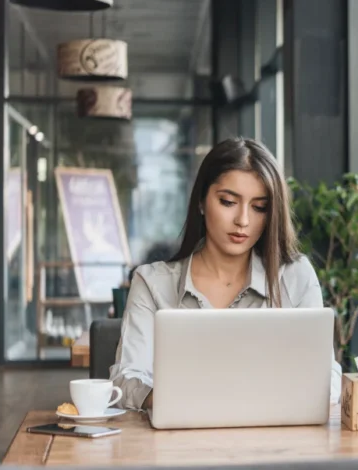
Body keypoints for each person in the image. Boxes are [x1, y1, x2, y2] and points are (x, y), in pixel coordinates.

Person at [109, 137, 342, 410]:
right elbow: (124, 380)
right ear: (201, 201)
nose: (243, 220)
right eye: (228, 202)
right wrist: (172, 401)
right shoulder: (152, 283)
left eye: (259, 207)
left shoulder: (295, 276)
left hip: (277, 443)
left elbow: (327, 375)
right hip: (179, 444)